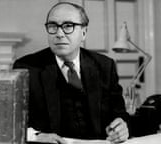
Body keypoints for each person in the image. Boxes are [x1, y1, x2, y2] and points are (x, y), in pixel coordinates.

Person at [13, 2, 130, 144]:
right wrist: (35, 136)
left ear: (84, 33)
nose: (59, 34)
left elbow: (119, 114)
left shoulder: (104, 66)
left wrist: (122, 126)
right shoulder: (27, 68)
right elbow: (10, 120)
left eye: (68, 26)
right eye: (53, 26)